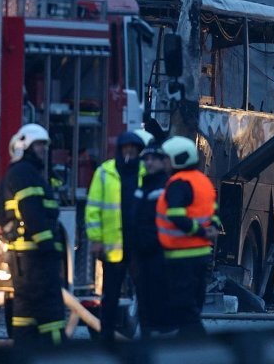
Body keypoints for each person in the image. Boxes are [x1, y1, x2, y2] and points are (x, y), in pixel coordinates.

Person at [0, 123, 67, 346]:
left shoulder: (20, 173)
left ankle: (23, 359)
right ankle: (57, 362)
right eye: (38, 145)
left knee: (25, 314)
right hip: (37, 259)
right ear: (24, 146)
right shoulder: (25, 174)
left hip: (24, 261)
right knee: (52, 314)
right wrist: (50, 250)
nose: (43, 150)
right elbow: (33, 214)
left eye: (44, 146)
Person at [156, 135, 221, 336]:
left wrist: (200, 231)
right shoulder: (203, 181)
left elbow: (176, 217)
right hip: (201, 254)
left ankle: (195, 346)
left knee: (185, 307)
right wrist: (210, 230)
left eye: (166, 159)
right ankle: (189, 343)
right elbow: (213, 214)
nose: (163, 163)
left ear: (178, 159)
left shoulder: (178, 183)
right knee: (193, 304)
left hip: (181, 255)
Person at [85, 131, 146, 344]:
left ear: (139, 151)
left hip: (139, 246)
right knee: (109, 296)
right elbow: (93, 208)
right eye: (126, 147)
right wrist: (96, 239)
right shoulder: (105, 172)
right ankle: (106, 337)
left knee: (144, 293)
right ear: (120, 149)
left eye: (133, 148)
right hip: (113, 248)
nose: (129, 151)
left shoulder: (145, 172)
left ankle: (147, 338)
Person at [130, 134, 173, 334]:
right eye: (145, 159)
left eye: (153, 159)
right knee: (144, 302)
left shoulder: (164, 188)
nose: (148, 163)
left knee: (158, 302)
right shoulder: (144, 187)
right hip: (141, 255)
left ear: (163, 161)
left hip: (158, 255)